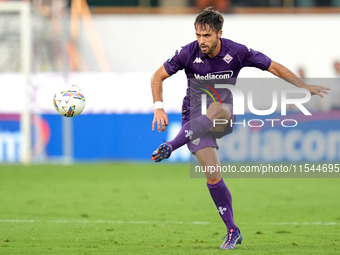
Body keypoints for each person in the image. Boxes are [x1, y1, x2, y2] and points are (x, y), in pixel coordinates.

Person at [150, 7, 329, 250]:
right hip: (192, 119)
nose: (201, 41)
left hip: (223, 114)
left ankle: (170, 146)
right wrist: (158, 107)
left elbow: (273, 66)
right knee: (213, 176)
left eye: (207, 36)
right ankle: (233, 230)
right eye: (198, 35)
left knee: (217, 106)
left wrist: (302, 85)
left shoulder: (237, 51)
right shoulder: (186, 53)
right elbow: (157, 77)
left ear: (219, 34)